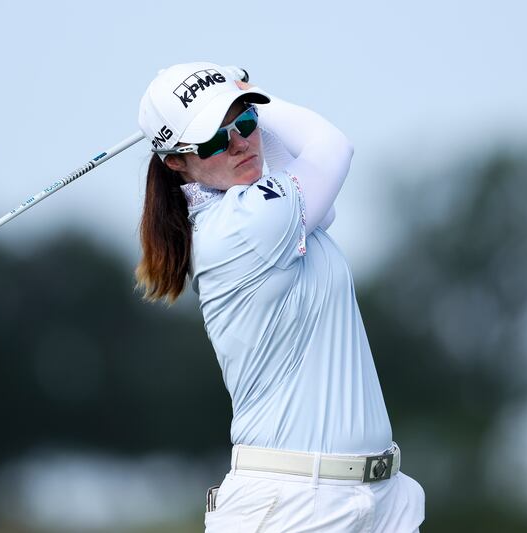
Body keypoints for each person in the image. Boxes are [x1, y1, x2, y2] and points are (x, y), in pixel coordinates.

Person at [135, 62, 425, 532]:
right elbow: (332, 146)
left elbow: (306, 178)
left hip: (374, 500)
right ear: (176, 161)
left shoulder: (267, 210)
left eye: (246, 123)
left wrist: (234, 99)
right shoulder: (242, 226)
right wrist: (251, 91)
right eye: (213, 140)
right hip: (294, 506)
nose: (239, 143)